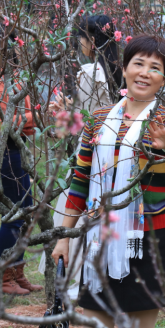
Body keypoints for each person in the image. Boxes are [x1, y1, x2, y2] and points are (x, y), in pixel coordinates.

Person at [52, 35, 165, 328]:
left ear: (164, 78)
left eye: (155, 67)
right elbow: (80, 181)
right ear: (125, 68)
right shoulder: (98, 120)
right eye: (138, 63)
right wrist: (64, 237)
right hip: (100, 238)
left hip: (149, 240)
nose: (145, 73)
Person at [41, 15, 123, 298]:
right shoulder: (122, 71)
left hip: (90, 154)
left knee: (76, 214)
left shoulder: (88, 73)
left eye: (82, 38)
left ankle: (77, 282)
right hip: (118, 156)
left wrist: (62, 115)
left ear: (91, 40)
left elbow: (77, 125)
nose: (79, 43)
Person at [0, 25, 41, 295]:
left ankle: (16, 273)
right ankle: (5, 278)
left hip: (15, 148)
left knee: (24, 214)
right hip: (5, 150)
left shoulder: (13, 76)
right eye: (17, 43)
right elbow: (5, 122)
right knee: (14, 215)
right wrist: (36, 117)